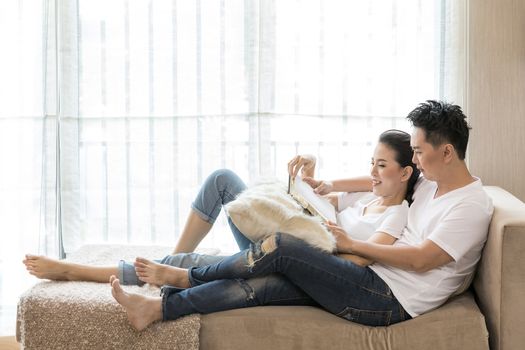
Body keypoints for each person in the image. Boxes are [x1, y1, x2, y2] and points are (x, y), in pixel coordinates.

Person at [103, 100, 493, 330]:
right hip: (369, 278)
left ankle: (184, 275)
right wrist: (327, 182)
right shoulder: (431, 180)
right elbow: (382, 178)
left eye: (420, 151)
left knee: (283, 248)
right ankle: (157, 308)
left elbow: (425, 258)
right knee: (268, 284)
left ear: (447, 153)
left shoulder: (470, 205)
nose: (416, 159)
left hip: (389, 300)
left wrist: (352, 244)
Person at [23, 129, 418, 317]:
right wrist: (309, 179)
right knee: (223, 180)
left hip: (306, 265)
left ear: (405, 173)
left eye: (382, 166)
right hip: (285, 244)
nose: (372, 172)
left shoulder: (396, 213)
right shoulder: (366, 195)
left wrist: (340, 239)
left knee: (193, 268)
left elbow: (360, 263)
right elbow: (320, 192)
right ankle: (172, 260)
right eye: (371, 162)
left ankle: (78, 269)